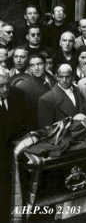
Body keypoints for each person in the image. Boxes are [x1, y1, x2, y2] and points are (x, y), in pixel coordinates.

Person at [0, 67, 33, 221]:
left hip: (16, 157)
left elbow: (29, 123)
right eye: (0, 86)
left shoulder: (19, 95)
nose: (6, 89)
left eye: (7, 83)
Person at [37, 64, 86, 128]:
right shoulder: (46, 99)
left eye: (67, 77)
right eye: (61, 77)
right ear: (56, 77)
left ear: (73, 76)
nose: (64, 80)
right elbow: (47, 130)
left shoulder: (78, 90)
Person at [10, 53, 57, 121]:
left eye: (39, 64)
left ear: (45, 65)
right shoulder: (25, 85)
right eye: (32, 65)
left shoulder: (53, 79)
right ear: (29, 68)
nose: (36, 68)